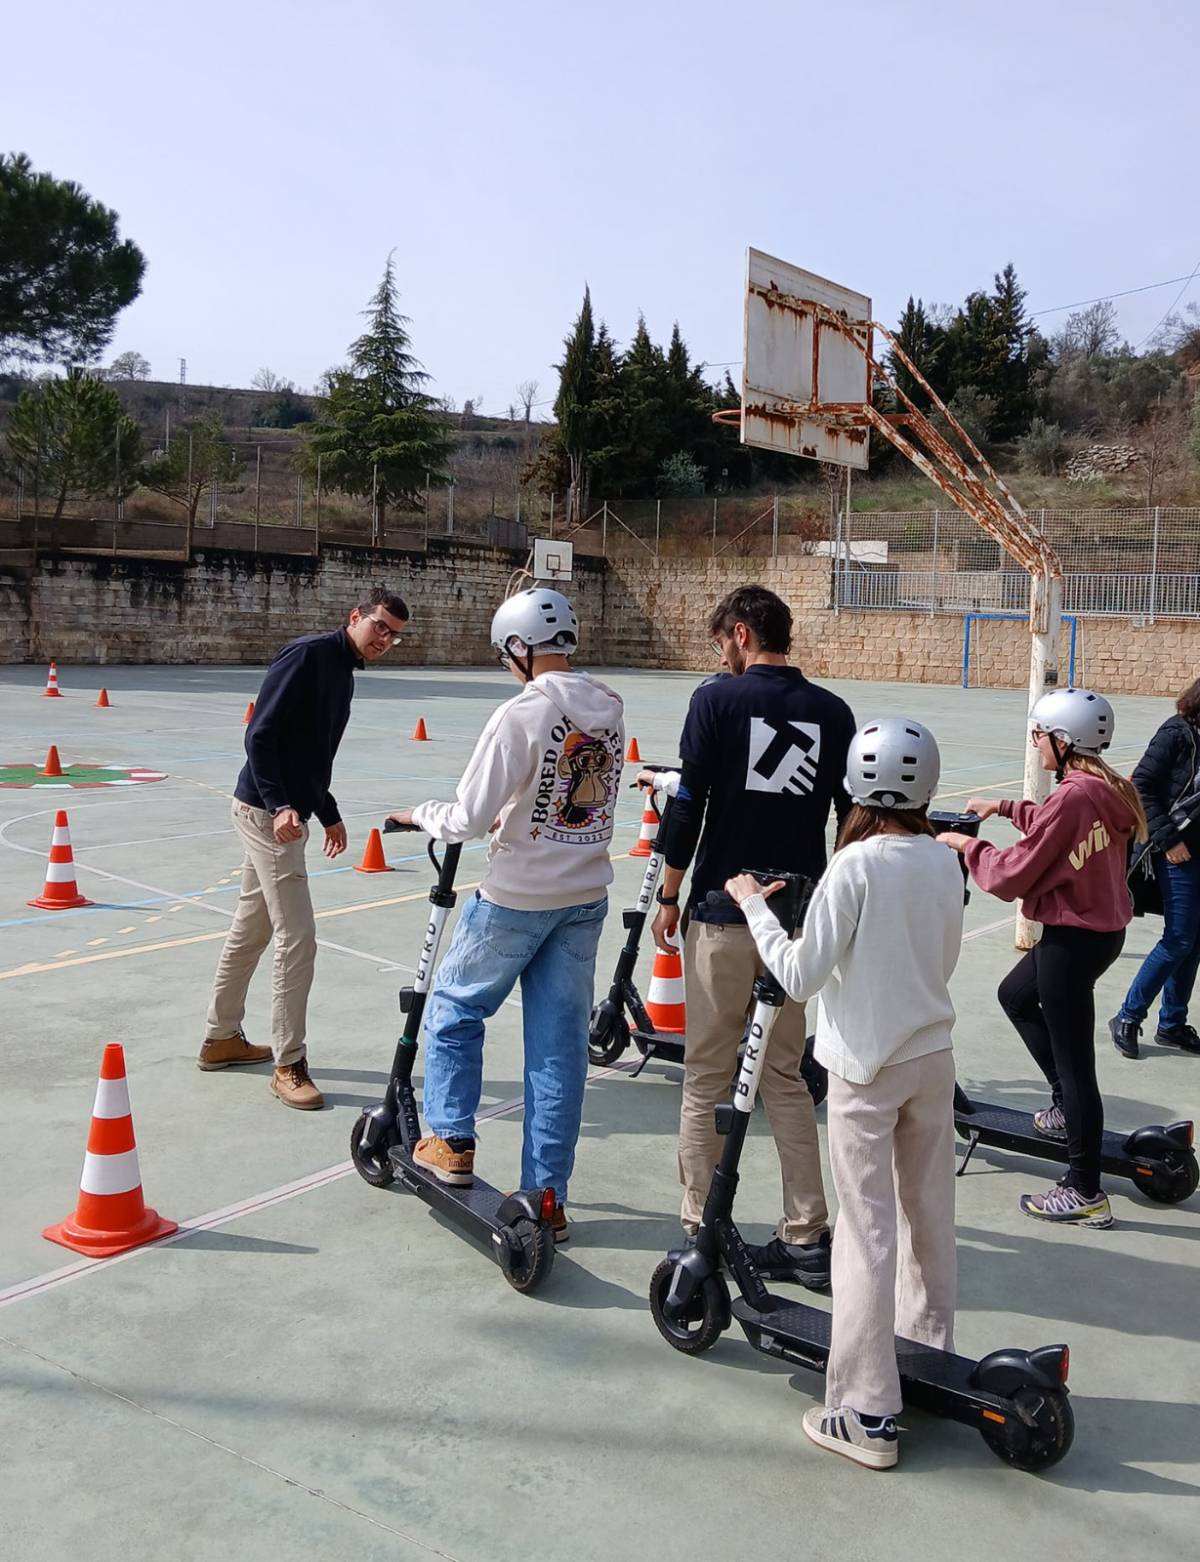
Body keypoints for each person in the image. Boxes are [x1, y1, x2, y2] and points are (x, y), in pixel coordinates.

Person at [726, 715, 964, 1471]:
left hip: (865, 1067)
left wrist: (752, 906)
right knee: (928, 1220)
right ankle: (926, 1358)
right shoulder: (941, 861)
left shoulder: (856, 866)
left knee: (866, 1236)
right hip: (933, 1054)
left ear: (857, 788)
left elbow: (798, 974)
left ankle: (866, 1410)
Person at [387, 587, 624, 1241]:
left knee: (453, 1013)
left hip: (517, 897)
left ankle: (452, 1144)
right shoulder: (608, 709)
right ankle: (548, 1196)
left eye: (505, 654)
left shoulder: (520, 714)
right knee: (558, 1049)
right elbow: (567, 789)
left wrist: (417, 815)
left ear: (520, 648)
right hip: (584, 897)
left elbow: (464, 817)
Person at [651, 584, 856, 1286]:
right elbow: (848, 819)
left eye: (721, 643)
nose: (722, 656)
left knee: (706, 1069)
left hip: (724, 909)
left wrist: (669, 892)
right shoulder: (834, 712)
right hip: (797, 922)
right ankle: (807, 1232)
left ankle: (700, 1223)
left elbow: (687, 804)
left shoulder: (716, 700)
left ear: (741, 633)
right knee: (786, 1077)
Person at [939, 687, 1146, 1229]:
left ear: (1062, 740)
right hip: (1099, 935)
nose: (1035, 744)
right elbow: (1058, 830)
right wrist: (1004, 806)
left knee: (1077, 1063)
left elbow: (1015, 873)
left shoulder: (1076, 796)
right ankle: (1062, 1107)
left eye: (1039, 735)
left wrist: (968, 847)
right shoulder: (1105, 788)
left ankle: (1084, 1189)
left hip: (1071, 942)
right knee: (1015, 995)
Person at [200, 587, 410, 1108]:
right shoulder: (308, 655)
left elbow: (311, 752)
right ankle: (289, 1064)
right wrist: (281, 806)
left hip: (289, 812)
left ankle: (221, 1037)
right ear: (355, 616)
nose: (385, 638)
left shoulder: (343, 671)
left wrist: (329, 811)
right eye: (379, 626)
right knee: (299, 937)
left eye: (394, 634)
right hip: (267, 816)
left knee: (252, 929)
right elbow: (261, 737)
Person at [1109, 677, 1200, 1059]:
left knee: (1193, 942)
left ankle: (1172, 1024)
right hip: (1174, 851)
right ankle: (1128, 1016)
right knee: (1179, 938)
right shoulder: (1177, 733)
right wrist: (1169, 841)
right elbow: (1141, 786)